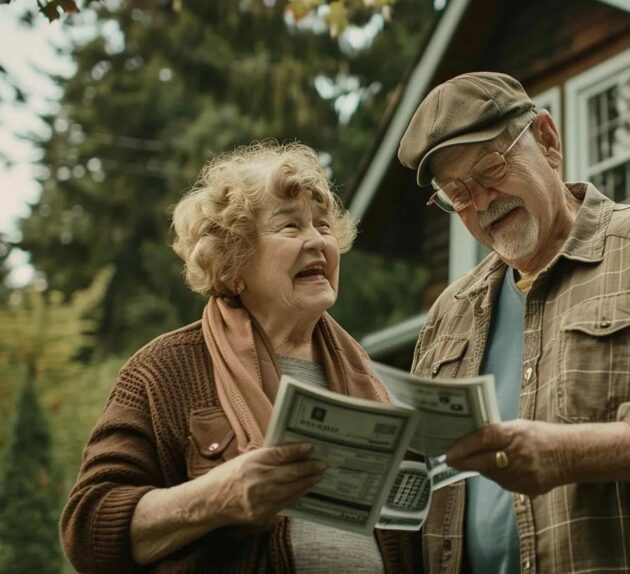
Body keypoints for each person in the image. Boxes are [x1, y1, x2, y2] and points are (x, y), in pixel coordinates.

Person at [397, 72, 630, 573]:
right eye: (458, 195)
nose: (482, 201)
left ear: (547, 141)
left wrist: (567, 454)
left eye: (491, 168)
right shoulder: (448, 315)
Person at [60, 142, 421, 573]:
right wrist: (216, 497)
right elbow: (88, 530)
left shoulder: (378, 382)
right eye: (289, 227)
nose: (317, 242)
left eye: (323, 226)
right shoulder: (163, 370)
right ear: (232, 262)